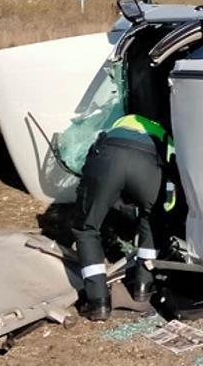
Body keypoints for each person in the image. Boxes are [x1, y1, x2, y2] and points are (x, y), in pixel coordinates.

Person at [72, 113, 174, 321]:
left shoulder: (121, 122)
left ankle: (97, 302)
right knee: (151, 220)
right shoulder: (166, 137)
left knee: (87, 229)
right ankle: (143, 286)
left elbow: (91, 172)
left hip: (109, 156)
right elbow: (168, 197)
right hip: (149, 163)